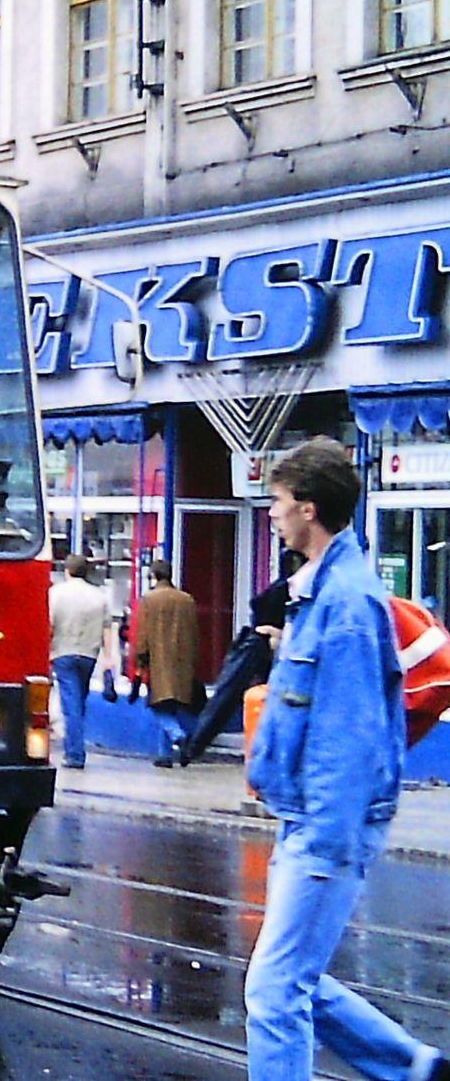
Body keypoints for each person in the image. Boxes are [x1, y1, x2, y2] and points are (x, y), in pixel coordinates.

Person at [243, 438, 443, 1081]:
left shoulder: (348, 604)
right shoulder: (319, 590)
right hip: (304, 816)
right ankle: (412, 1065)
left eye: (276, 502)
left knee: (274, 993)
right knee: (290, 975)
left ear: (307, 508)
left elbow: (350, 737)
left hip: (326, 826)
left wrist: (324, 842)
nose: (270, 513)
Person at [180, 548, 305, 766]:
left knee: (230, 693)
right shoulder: (289, 589)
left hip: (260, 642)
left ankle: (195, 746)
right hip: (261, 644)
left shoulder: (286, 588)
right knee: (237, 694)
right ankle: (196, 745)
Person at [134, 558, 201, 767]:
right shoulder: (187, 600)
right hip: (182, 662)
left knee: (158, 706)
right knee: (169, 706)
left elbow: (143, 636)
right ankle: (165, 755)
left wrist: (140, 661)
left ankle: (178, 735)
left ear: (153, 577)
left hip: (159, 662)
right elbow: (194, 632)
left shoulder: (149, 600)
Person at [49, 554, 109, 770]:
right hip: (88, 655)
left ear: (67, 571)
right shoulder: (99, 596)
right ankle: (74, 745)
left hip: (63, 653)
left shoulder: (56, 593)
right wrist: (109, 659)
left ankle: (74, 754)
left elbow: (49, 625)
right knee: (78, 703)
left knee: (71, 706)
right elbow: (107, 629)